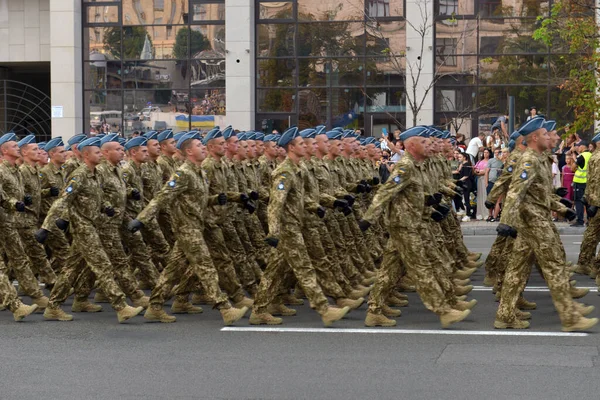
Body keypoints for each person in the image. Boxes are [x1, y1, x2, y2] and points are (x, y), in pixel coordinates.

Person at [128, 131, 248, 325]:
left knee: (172, 270)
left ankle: (155, 307)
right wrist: (141, 219)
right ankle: (225, 308)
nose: (203, 148)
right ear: (190, 151)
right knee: (205, 266)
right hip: (186, 228)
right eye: (200, 146)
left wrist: (215, 199)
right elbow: (162, 196)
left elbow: (197, 199)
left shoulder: (199, 171)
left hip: (196, 226)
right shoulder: (183, 173)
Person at [494, 117, 597, 331]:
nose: (553, 137)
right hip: (533, 220)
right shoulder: (529, 160)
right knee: (554, 265)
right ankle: (570, 316)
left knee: (518, 268)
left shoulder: (538, 158)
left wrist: (563, 209)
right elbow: (515, 191)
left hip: (534, 217)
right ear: (534, 137)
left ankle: (505, 314)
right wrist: (506, 222)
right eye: (546, 134)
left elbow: (539, 194)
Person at [250, 127, 351, 326]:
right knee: (304, 267)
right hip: (288, 229)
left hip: (296, 224)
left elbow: (301, 198)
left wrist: (320, 205)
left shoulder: (298, 169)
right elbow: (275, 203)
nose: (306, 146)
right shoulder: (285, 172)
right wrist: (274, 231)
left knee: (274, 271)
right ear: (291, 148)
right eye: (302, 144)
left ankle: (260, 309)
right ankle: (324, 309)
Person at [37, 136, 144, 323]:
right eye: (96, 153)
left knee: (70, 269)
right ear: (86, 155)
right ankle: (121, 306)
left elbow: (96, 198)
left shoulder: (97, 174)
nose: (100, 156)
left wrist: (106, 207)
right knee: (103, 265)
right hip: (83, 227)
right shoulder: (79, 175)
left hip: (93, 225)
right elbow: (63, 201)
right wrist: (46, 227)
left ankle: (53, 306)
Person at [572, 140, 591, 227]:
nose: (578, 148)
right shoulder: (592, 155)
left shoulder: (581, 156)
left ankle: (580, 221)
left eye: (579, 146)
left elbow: (573, 167)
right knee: (588, 202)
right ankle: (589, 221)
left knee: (579, 201)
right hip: (589, 182)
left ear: (583, 147)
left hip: (579, 182)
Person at [454, 151, 473, 221]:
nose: (458, 158)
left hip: (466, 183)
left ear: (464, 158)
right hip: (463, 183)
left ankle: (468, 214)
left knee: (466, 199)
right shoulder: (462, 164)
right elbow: (458, 171)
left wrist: (459, 181)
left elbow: (466, 175)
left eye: (460, 157)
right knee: (461, 198)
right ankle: (463, 210)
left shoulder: (467, 165)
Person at [486, 148, 504, 221]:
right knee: (489, 200)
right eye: (495, 152)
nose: (496, 154)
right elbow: (487, 171)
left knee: (498, 200)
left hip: (499, 183)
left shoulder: (503, 161)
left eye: (498, 152)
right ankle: (490, 215)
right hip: (491, 182)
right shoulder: (491, 161)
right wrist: (486, 183)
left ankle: (495, 216)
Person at [473, 148, 491, 220]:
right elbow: (475, 169)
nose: (485, 154)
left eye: (487, 152)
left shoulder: (490, 161)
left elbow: (488, 170)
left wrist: (482, 172)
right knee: (480, 195)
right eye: (484, 152)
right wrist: (476, 171)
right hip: (479, 179)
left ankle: (486, 213)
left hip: (486, 178)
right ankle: (480, 213)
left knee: (485, 195)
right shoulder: (479, 161)